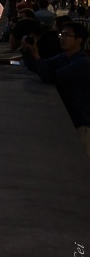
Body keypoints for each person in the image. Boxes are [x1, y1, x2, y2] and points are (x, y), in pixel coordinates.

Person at [20, 22, 90, 157]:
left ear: (79, 40)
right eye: (61, 34)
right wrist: (27, 50)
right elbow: (39, 66)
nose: (62, 38)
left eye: (67, 35)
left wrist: (35, 54)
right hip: (68, 119)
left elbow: (50, 76)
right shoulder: (64, 57)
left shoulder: (82, 63)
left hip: (81, 122)